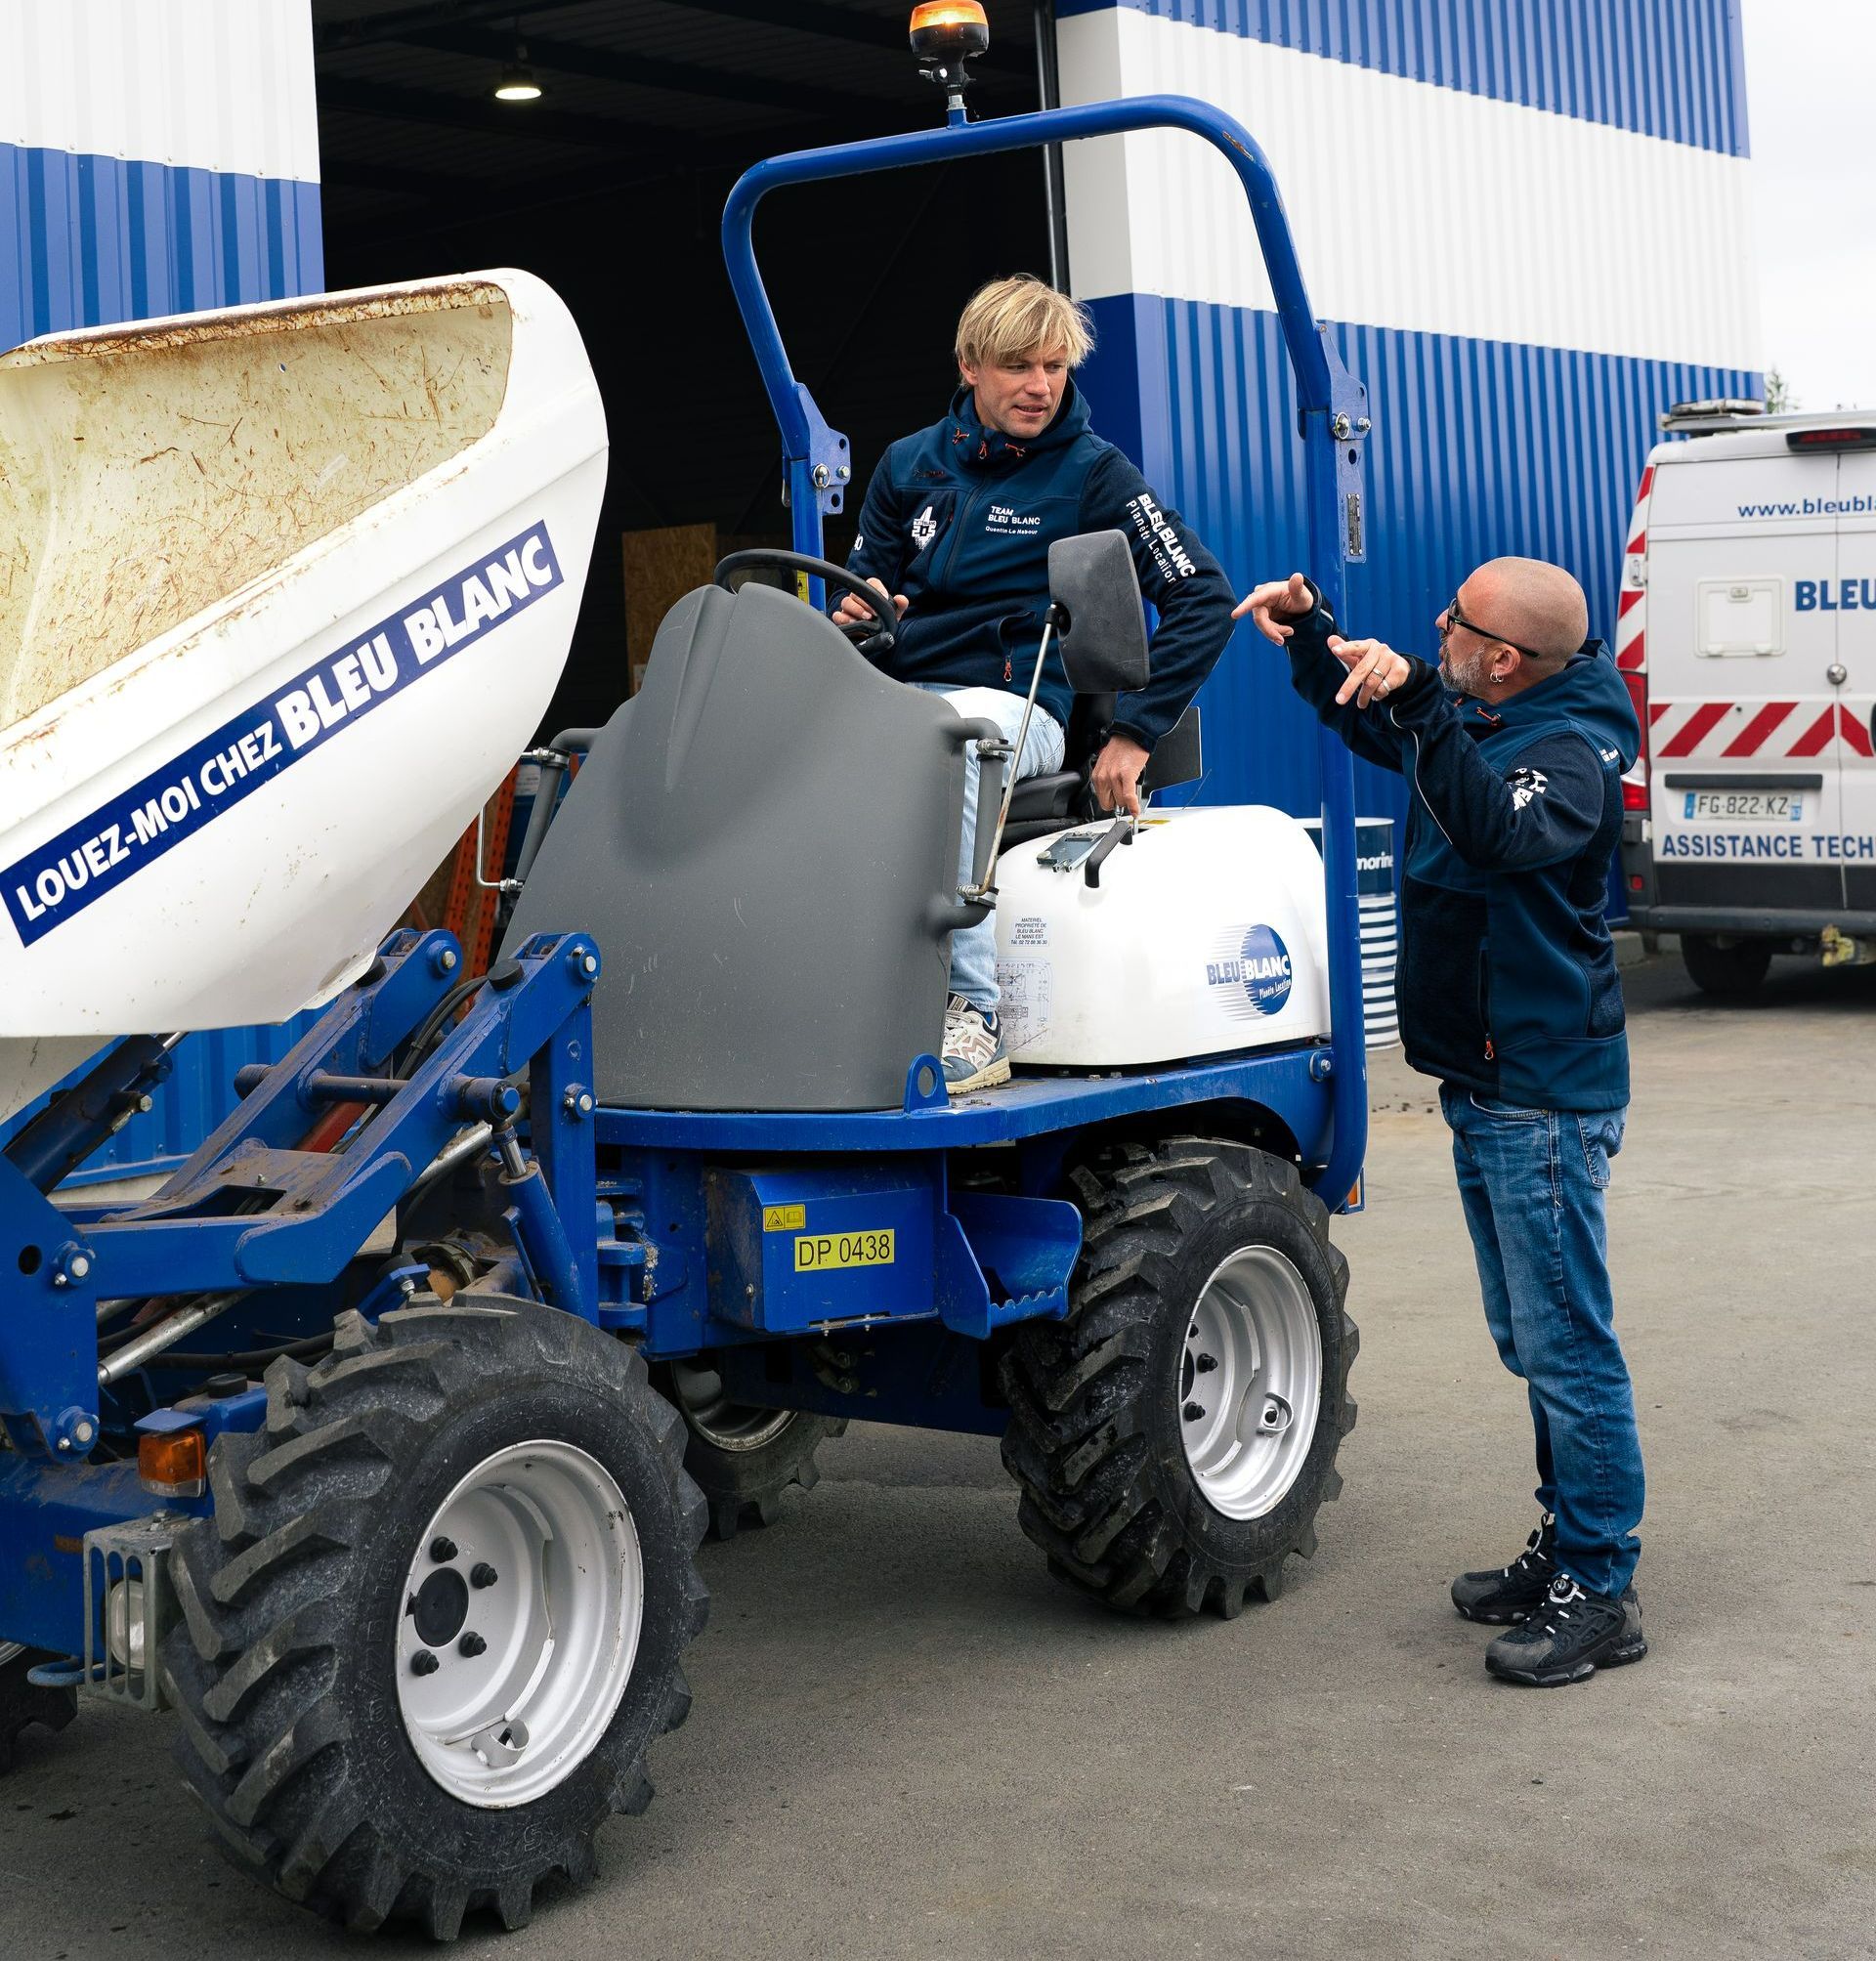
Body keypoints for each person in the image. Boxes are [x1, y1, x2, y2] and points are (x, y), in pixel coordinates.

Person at [1237, 559, 1647, 1687]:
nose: (1433, 628)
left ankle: (1600, 1589)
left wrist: (1418, 696)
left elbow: (1497, 833)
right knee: (1534, 1340)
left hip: (1542, 1097)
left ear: (1503, 658)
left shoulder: (1570, 754)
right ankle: (1567, 1547)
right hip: (1489, 1079)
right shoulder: (1492, 715)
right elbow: (1406, 744)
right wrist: (1318, 647)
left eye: (1454, 624)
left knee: (1568, 1349)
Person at [834, 276, 1233, 1093]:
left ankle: (974, 1015)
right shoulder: (908, 466)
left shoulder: (1094, 474)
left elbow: (1201, 595)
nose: (1040, 386)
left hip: (1016, 710)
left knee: (954, 736)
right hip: (900, 701)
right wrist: (855, 618)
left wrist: (1136, 731)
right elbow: (861, 595)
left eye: (1054, 365)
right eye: (1018, 365)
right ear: (970, 365)